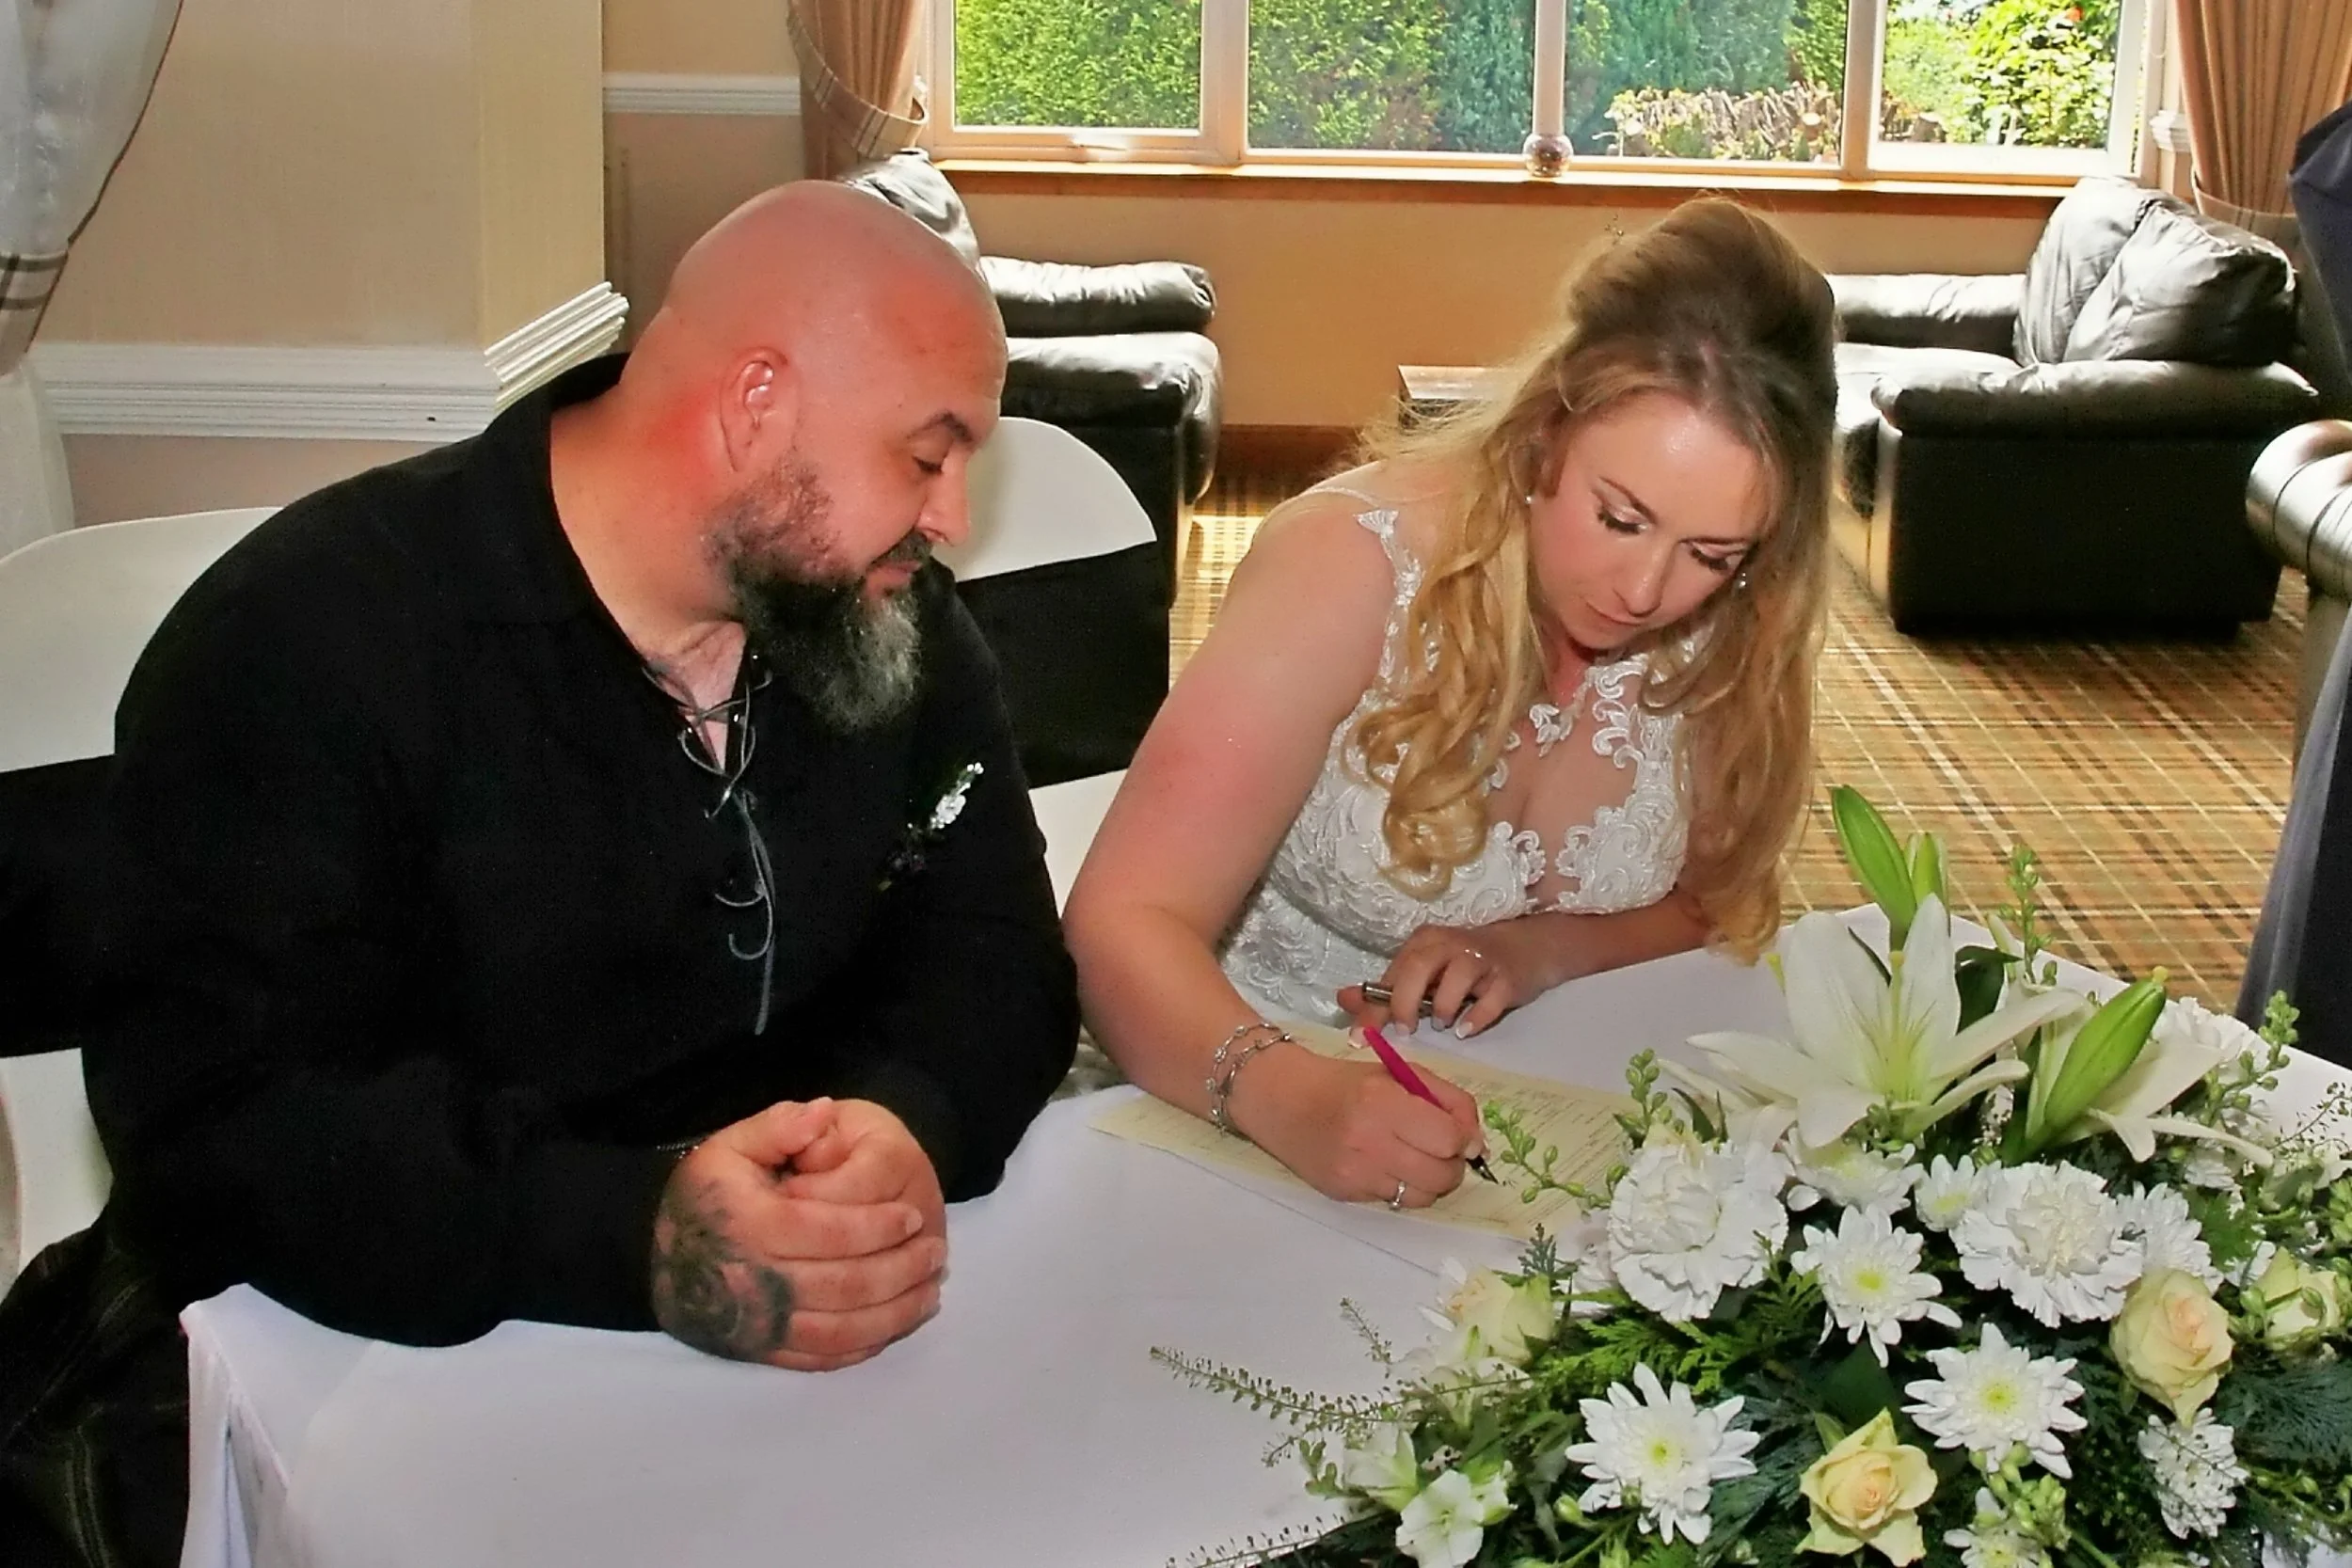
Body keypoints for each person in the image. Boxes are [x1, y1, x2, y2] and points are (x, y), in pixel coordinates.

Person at [0, 182, 1078, 1566]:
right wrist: (638, 1234)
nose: (949, 514)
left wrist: (905, 1122)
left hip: (802, 1379)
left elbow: (993, 946)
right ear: (756, 401)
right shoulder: (309, 641)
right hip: (370, 1355)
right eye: (929, 455)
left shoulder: (885, 623)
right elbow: (225, 1121)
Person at [1063, 198, 1837, 1212]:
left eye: (1709, 553)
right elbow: (1121, 921)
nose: (1647, 590)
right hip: (1221, 1089)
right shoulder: (1352, 564)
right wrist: (1289, 1097)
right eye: (1620, 516)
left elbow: (1719, 895)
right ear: (1545, 427)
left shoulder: (1742, 615)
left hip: (1546, 1120)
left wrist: (1535, 948)